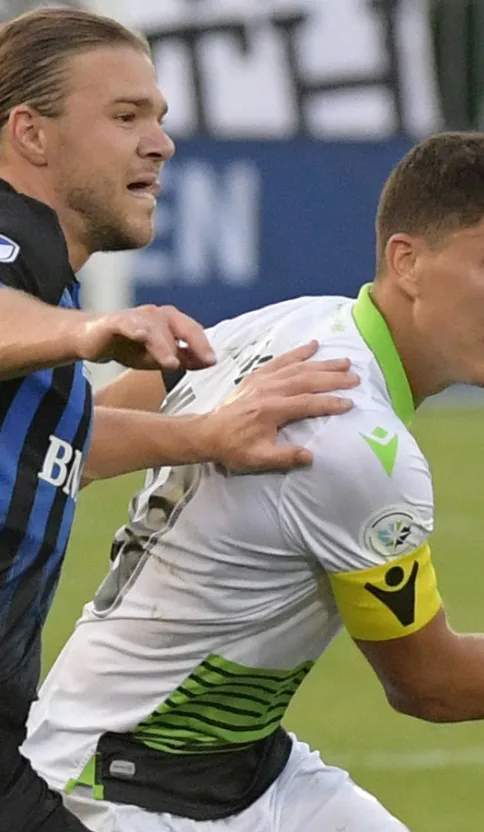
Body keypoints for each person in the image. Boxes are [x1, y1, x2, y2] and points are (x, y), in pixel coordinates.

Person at [24, 130, 484, 832]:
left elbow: (71, 434)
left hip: (239, 763)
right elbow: (431, 684)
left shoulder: (295, 323)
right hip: (126, 784)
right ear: (406, 260)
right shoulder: (356, 443)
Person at [0, 8, 358, 832]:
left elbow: (57, 442)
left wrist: (204, 435)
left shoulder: (42, 283)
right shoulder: (12, 244)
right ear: (31, 133)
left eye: (159, 118)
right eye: (126, 116)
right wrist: (89, 332)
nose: (160, 143)